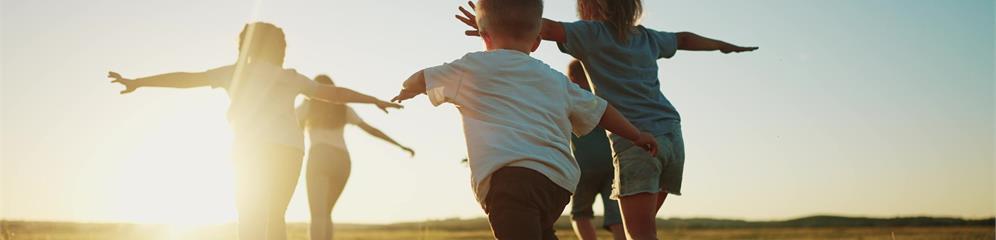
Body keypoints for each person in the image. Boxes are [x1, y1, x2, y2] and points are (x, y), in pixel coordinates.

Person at [456, 1, 757, 238]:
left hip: (636, 142)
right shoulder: (648, 38)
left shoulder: (590, 34)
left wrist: (491, 23)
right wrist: (722, 45)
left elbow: (533, 27)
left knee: (639, 235)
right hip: (672, 138)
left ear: (589, 6)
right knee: (640, 230)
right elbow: (684, 38)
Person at [107, 22, 401, 240]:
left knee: (249, 219)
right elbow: (334, 94)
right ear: (280, 50)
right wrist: (372, 99)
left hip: (251, 151)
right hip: (290, 151)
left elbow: (186, 79)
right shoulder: (290, 77)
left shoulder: (234, 73)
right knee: (275, 218)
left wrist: (138, 81)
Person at [391, 0, 658, 239]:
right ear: (537, 42)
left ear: (483, 36)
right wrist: (636, 135)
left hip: (510, 180)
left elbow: (423, 78)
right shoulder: (555, 79)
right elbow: (601, 110)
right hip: (558, 183)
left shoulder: (471, 68)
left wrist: (408, 89)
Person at [296, 74, 414, 240]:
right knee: (326, 214)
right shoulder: (343, 109)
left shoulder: (307, 107)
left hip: (320, 156)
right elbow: (371, 130)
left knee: (317, 214)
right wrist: (400, 146)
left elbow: (291, 129)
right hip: (342, 161)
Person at [565, 60, 625, 240]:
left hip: (584, 166)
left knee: (580, 213)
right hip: (612, 163)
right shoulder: (603, 95)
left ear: (572, 77)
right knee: (617, 214)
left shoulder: (570, 97)